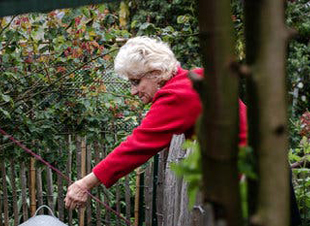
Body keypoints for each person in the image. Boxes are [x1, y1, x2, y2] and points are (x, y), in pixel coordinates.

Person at [64, 36, 248, 210]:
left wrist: (84, 184)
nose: (133, 92)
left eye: (136, 82)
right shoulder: (191, 80)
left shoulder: (177, 95)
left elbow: (137, 146)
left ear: (156, 73)